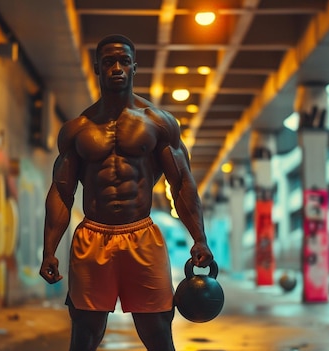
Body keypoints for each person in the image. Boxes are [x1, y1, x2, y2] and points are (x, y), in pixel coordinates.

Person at [39, 34, 214, 351]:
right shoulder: (78, 129)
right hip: (92, 236)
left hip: (141, 235)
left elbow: (182, 183)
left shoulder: (158, 123)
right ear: (97, 68)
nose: (116, 68)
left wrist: (199, 238)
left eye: (123, 61)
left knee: (158, 329)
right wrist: (48, 249)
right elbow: (62, 191)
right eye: (108, 62)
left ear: (135, 66)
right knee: (85, 331)